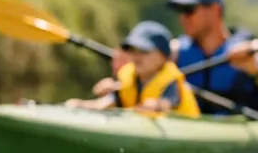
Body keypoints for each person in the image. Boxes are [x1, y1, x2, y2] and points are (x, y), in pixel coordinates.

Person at [66, 21, 200, 116]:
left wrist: (156, 105)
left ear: (163, 57)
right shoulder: (126, 78)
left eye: (144, 51)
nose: (137, 57)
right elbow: (105, 103)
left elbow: (166, 104)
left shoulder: (170, 81)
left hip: (183, 127)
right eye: (132, 50)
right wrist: (81, 105)